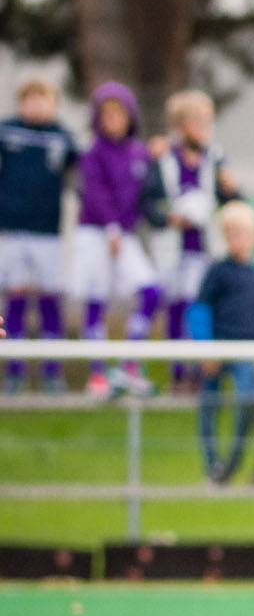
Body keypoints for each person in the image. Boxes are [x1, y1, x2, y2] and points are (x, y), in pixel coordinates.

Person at [144, 89, 240, 388]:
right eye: (195, 120)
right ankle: (178, 374)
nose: (203, 127)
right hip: (173, 247)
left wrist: (232, 189)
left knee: (196, 308)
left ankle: (199, 372)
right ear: (180, 124)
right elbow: (147, 201)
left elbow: (233, 201)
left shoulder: (215, 158)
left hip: (205, 248)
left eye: (206, 120)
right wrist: (169, 219)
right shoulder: (163, 158)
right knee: (175, 308)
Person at [73, 81, 162, 397]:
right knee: (96, 299)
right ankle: (97, 374)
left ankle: (129, 363)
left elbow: (146, 193)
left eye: (119, 112)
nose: (113, 119)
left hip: (126, 234)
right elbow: (95, 192)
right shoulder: (92, 152)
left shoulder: (139, 152)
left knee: (151, 291)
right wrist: (110, 226)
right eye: (106, 113)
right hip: (97, 232)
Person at [1, 76, 79, 391]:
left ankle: (52, 371)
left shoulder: (63, 137)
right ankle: (14, 371)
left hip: (48, 231)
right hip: (12, 229)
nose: (36, 106)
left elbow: (85, 170)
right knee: (16, 298)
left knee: (50, 300)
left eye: (43, 99)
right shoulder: (7, 130)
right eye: (30, 100)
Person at [189, 204, 254, 481]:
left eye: (243, 232)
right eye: (232, 233)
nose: (238, 239)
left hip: (247, 351)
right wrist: (206, 348)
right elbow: (199, 310)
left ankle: (232, 464)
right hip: (218, 348)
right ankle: (212, 464)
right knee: (209, 408)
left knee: (246, 405)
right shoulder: (217, 272)